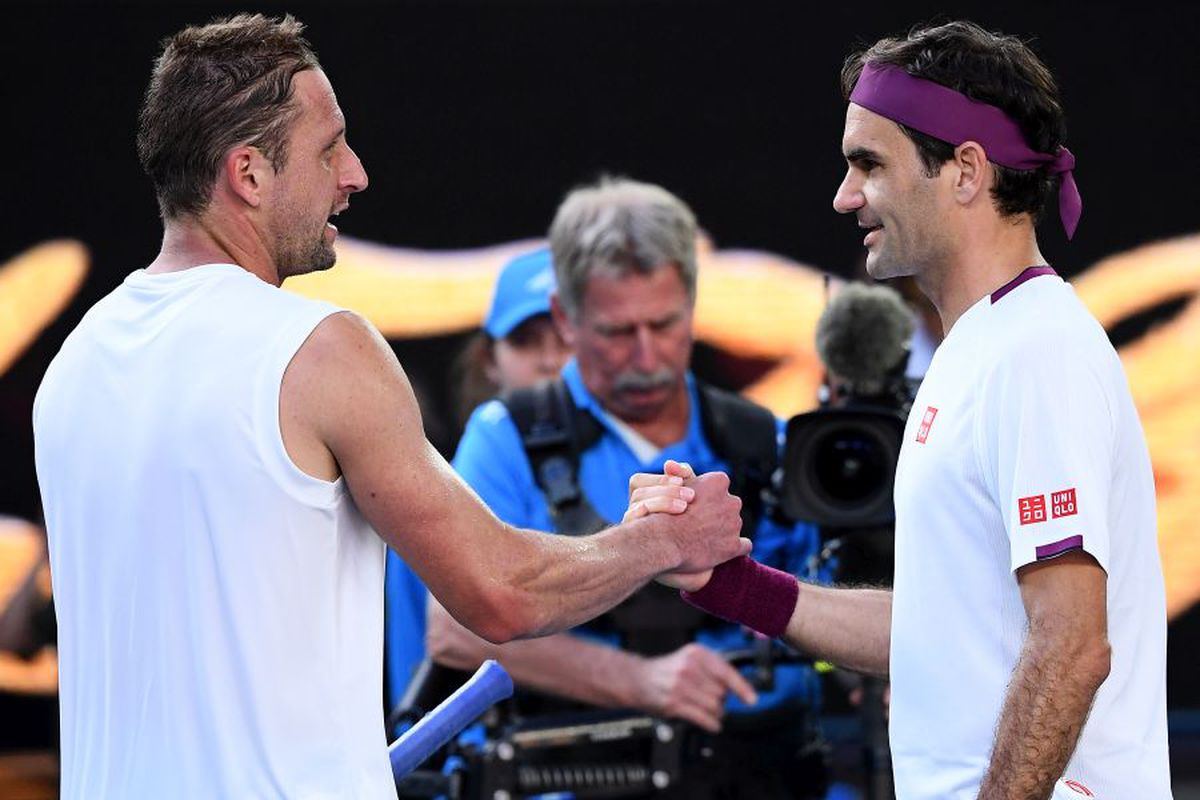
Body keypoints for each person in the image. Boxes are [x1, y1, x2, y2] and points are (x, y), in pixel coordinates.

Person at [30, 15, 747, 799]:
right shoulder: (319, 347)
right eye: (329, 147)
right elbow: (500, 595)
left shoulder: (76, 362)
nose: (356, 174)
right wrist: (660, 542)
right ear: (248, 174)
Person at [663, 20, 1171, 800]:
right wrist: (733, 585)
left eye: (869, 164)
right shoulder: (974, 347)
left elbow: (1072, 646)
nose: (844, 196)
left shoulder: (1037, 352)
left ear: (965, 171)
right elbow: (945, 630)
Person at [427, 177, 829, 798]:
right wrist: (640, 681)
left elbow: (830, 609)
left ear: (694, 305)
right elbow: (454, 627)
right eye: (617, 332)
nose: (646, 357)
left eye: (664, 324)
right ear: (566, 317)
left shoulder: (765, 440)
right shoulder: (506, 436)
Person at [385, 247, 569, 710]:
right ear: (490, 359)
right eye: (526, 340)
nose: (550, 361)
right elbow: (440, 650)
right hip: (465, 759)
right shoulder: (429, 498)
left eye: (566, 340)